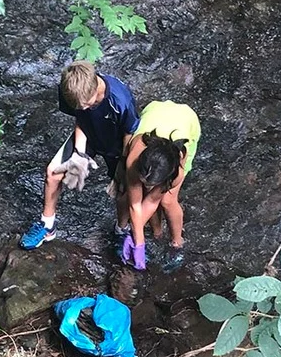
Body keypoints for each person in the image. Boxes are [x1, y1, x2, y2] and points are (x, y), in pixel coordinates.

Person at [20, 60, 140, 249]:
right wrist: (79, 154)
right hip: (89, 134)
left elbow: (129, 133)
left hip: (118, 143)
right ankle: (47, 226)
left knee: (123, 188)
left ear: (96, 87)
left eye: (88, 104)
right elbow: (81, 118)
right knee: (52, 173)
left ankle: (121, 230)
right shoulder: (70, 90)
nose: (83, 108)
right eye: (79, 106)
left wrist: (122, 167)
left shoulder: (120, 100)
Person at [120, 101, 200, 271]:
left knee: (168, 201)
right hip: (154, 110)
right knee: (135, 192)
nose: (146, 187)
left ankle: (178, 243)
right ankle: (157, 233)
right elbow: (135, 205)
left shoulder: (177, 165)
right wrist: (137, 240)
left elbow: (152, 201)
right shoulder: (134, 156)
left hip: (187, 120)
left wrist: (137, 236)